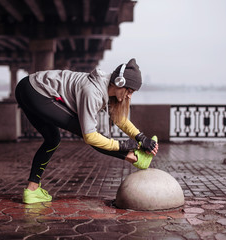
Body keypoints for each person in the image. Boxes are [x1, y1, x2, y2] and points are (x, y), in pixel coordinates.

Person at [15, 58, 159, 204]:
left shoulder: (107, 88)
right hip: (37, 91)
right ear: (119, 82)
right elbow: (90, 137)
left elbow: (119, 119)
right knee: (92, 133)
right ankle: (135, 158)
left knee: (53, 139)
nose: (129, 96)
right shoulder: (93, 91)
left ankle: (31, 190)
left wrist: (141, 137)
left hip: (26, 88)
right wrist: (122, 146)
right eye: (129, 91)